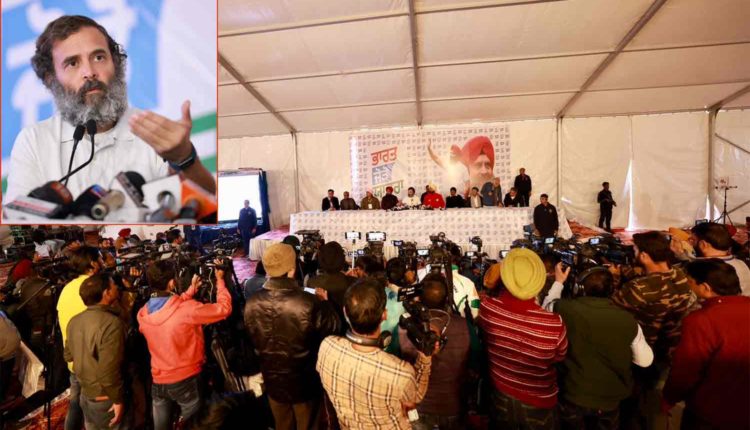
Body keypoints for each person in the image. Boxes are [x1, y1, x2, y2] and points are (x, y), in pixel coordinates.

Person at [6, 15, 215, 206]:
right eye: (73, 63)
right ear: (51, 79)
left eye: (98, 57)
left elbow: (205, 205)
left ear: (116, 64)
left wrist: (184, 157)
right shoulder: (33, 140)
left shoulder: (152, 130)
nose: (89, 72)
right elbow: (18, 223)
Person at [543, 264, 654, 430]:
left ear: (578, 288)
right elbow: (645, 361)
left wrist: (559, 282)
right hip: (609, 401)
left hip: (572, 395)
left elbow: (546, 308)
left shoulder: (563, 308)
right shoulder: (628, 320)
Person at [245, 243, 340, 430]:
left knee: (282, 424)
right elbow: (333, 330)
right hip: (303, 382)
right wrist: (325, 303)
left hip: (272, 381)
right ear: (291, 268)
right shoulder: (308, 302)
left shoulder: (252, 302)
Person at [316, 279, 434, 430]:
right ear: (384, 315)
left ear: (345, 312)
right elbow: (415, 397)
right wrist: (425, 358)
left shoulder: (327, 346)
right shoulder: (400, 372)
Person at [611, 231, 694, 429]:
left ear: (644, 256)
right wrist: (627, 271)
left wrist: (614, 278)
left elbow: (611, 310)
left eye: (635, 251)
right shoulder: (681, 277)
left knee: (634, 400)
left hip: (640, 351)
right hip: (669, 348)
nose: (633, 254)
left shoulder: (638, 289)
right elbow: (653, 279)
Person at [478, 248, 568, 429]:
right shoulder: (553, 324)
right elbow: (559, 356)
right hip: (539, 401)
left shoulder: (488, 308)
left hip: (500, 394)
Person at [137, 260, 232, 430]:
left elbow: (169, 308)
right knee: (193, 425)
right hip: (187, 380)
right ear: (171, 283)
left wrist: (190, 291)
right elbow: (224, 309)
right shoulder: (188, 310)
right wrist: (220, 280)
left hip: (158, 381)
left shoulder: (143, 313)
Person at [663, 259, 750, 429]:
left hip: (713, 411)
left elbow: (686, 370)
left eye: (690, 282)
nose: (688, 286)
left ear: (705, 287)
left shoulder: (701, 320)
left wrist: (669, 398)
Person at [399, 274, 470, 430]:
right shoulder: (466, 325)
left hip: (417, 408)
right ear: (447, 299)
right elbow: (475, 363)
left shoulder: (404, 327)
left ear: (419, 298)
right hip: (453, 407)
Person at [64, 273, 127, 430]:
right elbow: (108, 372)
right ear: (106, 293)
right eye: (113, 285)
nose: (117, 287)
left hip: (86, 393)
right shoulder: (111, 323)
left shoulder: (74, 321)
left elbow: (68, 355)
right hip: (105, 398)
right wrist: (118, 400)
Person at [58, 246, 105, 430]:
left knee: (76, 404)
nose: (103, 262)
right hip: (94, 364)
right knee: (95, 416)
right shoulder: (94, 289)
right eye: (100, 259)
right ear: (93, 264)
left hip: (75, 361)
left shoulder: (66, 289)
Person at [674, 222, 750, 296]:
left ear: (703, 244)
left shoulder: (709, 269)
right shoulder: (741, 263)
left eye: (692, 240)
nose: (689, 244)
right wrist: (681, 254)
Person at [308, 241, 358, 332]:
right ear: (342, 259)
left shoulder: (312, 282)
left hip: (323, 329)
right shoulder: (354, 282)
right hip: (350, 329)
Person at [0, 310, 21, 403]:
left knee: (5, 377)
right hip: (3, 354)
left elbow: (11, 325)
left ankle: (2, 396)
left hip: (9, 353)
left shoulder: (2, 313)